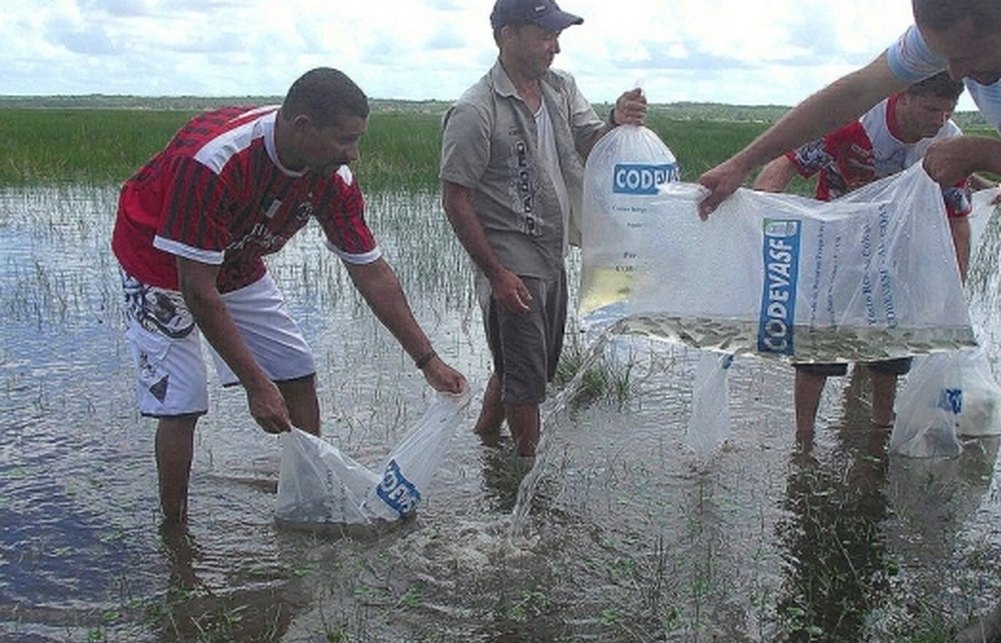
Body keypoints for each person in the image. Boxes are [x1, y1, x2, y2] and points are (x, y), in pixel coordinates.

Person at [696, 0, 1001, 643]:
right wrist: (746, 159)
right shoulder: (958, 34)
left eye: (965, 62)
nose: (954, 77)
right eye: (942, 62)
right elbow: (857, 89)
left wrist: (981, 152)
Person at [112, 67, 467, 525]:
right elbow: (197, 290)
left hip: (237, 257)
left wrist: (428, 361)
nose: (354, 154)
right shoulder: (215, 163)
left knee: (297, 372)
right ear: (302, 127)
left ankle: (306, 500)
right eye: (344, 140)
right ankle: (175, 529)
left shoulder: (331, 179)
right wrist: (257, 385)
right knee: (182, 401)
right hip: (158, 261)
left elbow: (373, 273)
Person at [439, 0, 645, 458]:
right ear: (506, 36)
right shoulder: (476, 109)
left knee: (525, 363)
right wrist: (496, 274)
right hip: (510, 259)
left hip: (552, 251)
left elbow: (593, 146)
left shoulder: (560, 88)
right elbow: (455, 198)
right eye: (544, 35)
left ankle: (484, 443)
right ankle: (527, 481)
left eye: (557, 36)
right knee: (527, 382)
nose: (554, 47)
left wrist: (615, 121)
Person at [752, 72, 1000, 435]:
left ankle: (881, 431)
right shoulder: (855, 123)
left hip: (898, 251)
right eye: (931, 109)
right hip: (833, 249)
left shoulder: (948, 143)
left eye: (947, 112)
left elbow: (958, 219)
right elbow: (786, 164)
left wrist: (954, 291)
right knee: (817, 347)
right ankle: (803, 436)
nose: (938, 120)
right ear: (903, 97)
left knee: (891, 347)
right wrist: (761, 213)